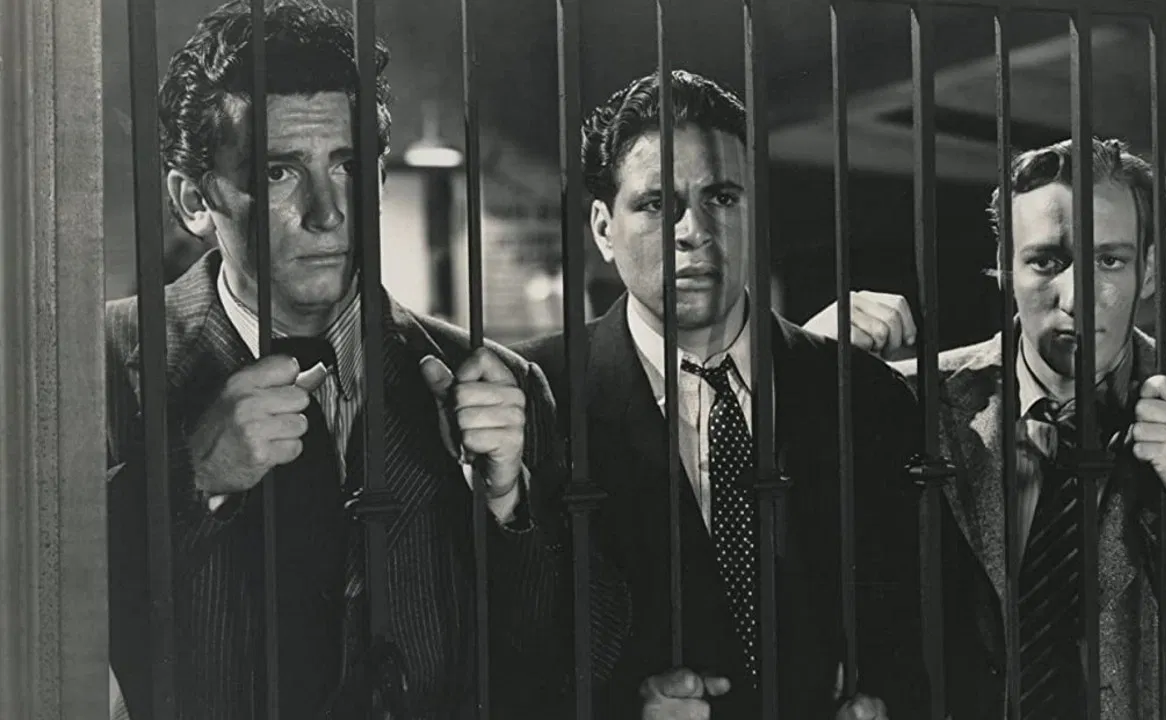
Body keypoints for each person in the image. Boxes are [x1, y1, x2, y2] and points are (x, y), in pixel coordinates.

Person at [105, 2, 626, 718]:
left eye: (348, 166)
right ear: (194, 200)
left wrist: (507, 502)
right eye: (279, 173)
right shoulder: (95, 367)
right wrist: (192, 477)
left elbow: (583, 663)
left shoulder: (498, 384)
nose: (328, 213)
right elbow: (38, 627)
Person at [806, 137, 1166, 718]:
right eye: (1046, 262)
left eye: (1109, 260)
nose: (1075, 298)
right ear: (1006, 268)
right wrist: (803, 361)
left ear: (1150, 272)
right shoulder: (917, 400)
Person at [514, 70, 927, 719]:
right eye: (657, 204)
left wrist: (887, 703)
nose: (693, 230)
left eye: (723, 197)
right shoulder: (538, 396)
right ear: (602, 228)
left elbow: (926, 623)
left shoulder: (865, 395)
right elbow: (496, 649)